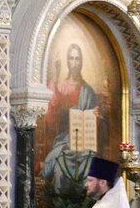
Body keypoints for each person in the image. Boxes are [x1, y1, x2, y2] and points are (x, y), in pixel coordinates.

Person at [40, 43, 104, 192]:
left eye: (77, 59)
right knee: (59, 167)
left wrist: (97, 117)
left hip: (84, 141)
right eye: (71, 59)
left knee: (89, 162)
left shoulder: (87, 90)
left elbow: (99, 126)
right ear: (67, 61)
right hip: (64, 140)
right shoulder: (58, 86)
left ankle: (84, 206)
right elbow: (49, 116)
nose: (74, 63)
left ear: (81, 62)